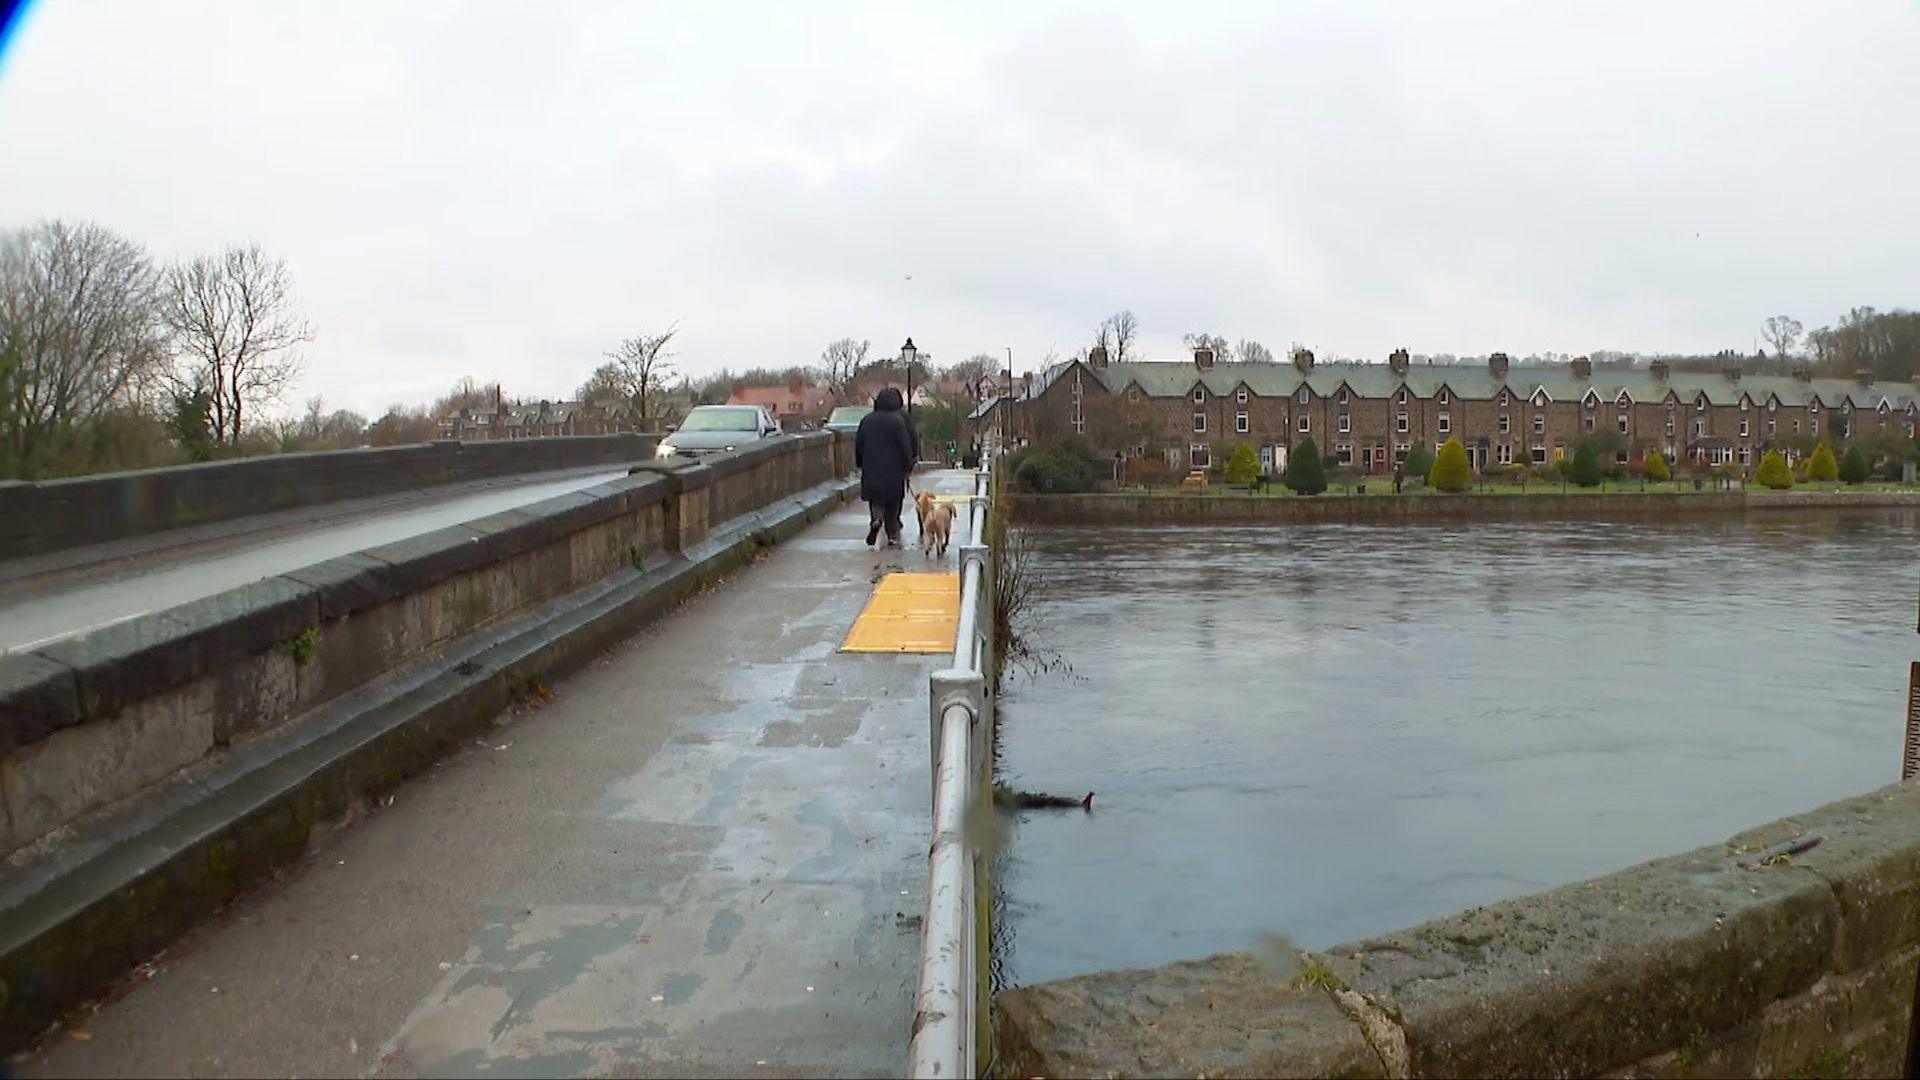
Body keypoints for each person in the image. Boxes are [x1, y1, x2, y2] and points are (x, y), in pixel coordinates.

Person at [854, 386, 916, 547]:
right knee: (894, 503)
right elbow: (905, 446)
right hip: (894, 470)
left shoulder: (866, 421)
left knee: (876, 501)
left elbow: (859, 445)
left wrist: (860, 463)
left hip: (872, 468)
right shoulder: (897, 421)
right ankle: (891, 534)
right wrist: (908, 466)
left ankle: (876, 519)